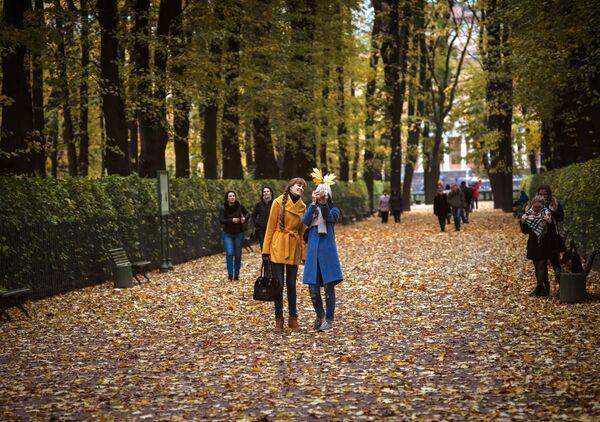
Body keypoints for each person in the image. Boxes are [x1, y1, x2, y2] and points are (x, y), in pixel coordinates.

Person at [262, 178, 307, 333]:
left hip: (293, 247)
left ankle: (293, 319)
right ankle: (278, 320)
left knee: (292, 285)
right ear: (290, 186)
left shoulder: (303, 207)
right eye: (298, 185)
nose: (300, 187)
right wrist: (265, 251)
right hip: (278, 246)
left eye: (303, 186)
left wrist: (304, 254)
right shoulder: (278, 202)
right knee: (279, 285)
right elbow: (270, 227)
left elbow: (302, 232)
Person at [302, 183, 343, 332]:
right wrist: (313, 204)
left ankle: (329, 320)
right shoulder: (312, 210)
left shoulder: (334, 210)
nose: (320, 196)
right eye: (317, 193)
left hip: (327, 253)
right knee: (313, 289)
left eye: (323, 193)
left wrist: (324, 203)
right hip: (313, 253)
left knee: (328, 288)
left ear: (328, 195)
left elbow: (328, 217)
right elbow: (304, 221)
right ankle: (320, 315)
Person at [520, 195, 555, 296]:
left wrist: (549, 222)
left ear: (543, 206)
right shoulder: (528, 214)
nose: (536, 209)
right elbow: (525, 231)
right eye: (534, 207)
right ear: (532, 205)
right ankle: (542, 289)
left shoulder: (547, 214)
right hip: (533, 244)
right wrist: (522, 222)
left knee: (541, 266)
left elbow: (552, 232)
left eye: (538, 207)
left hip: (544, 244)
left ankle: (538, 288)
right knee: (537, 266)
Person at [536, 184, 564, 291]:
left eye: (545, 194)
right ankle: (544, 287)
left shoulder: (555, 204)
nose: (543, 196)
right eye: (540, 194)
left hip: (553, 238)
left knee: (556, 263)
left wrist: (549, 210)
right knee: (542, 264)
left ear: (549, 194)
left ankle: (562, 286)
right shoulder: (534, 203)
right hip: (541, 239)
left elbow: (561, 217)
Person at [219, 191, 250, 281]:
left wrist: (244, 218)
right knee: (229, 253)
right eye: (230, 196)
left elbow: (248, 214)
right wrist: (231, 220)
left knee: (237, 254)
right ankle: (230, 274)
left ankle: (236, 275)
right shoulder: (223, 208)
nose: (232, 197)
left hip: (239, 233)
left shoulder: (239, 206)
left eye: (233, 196)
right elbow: (221, 220)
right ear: (227, 198)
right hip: (227, 234)